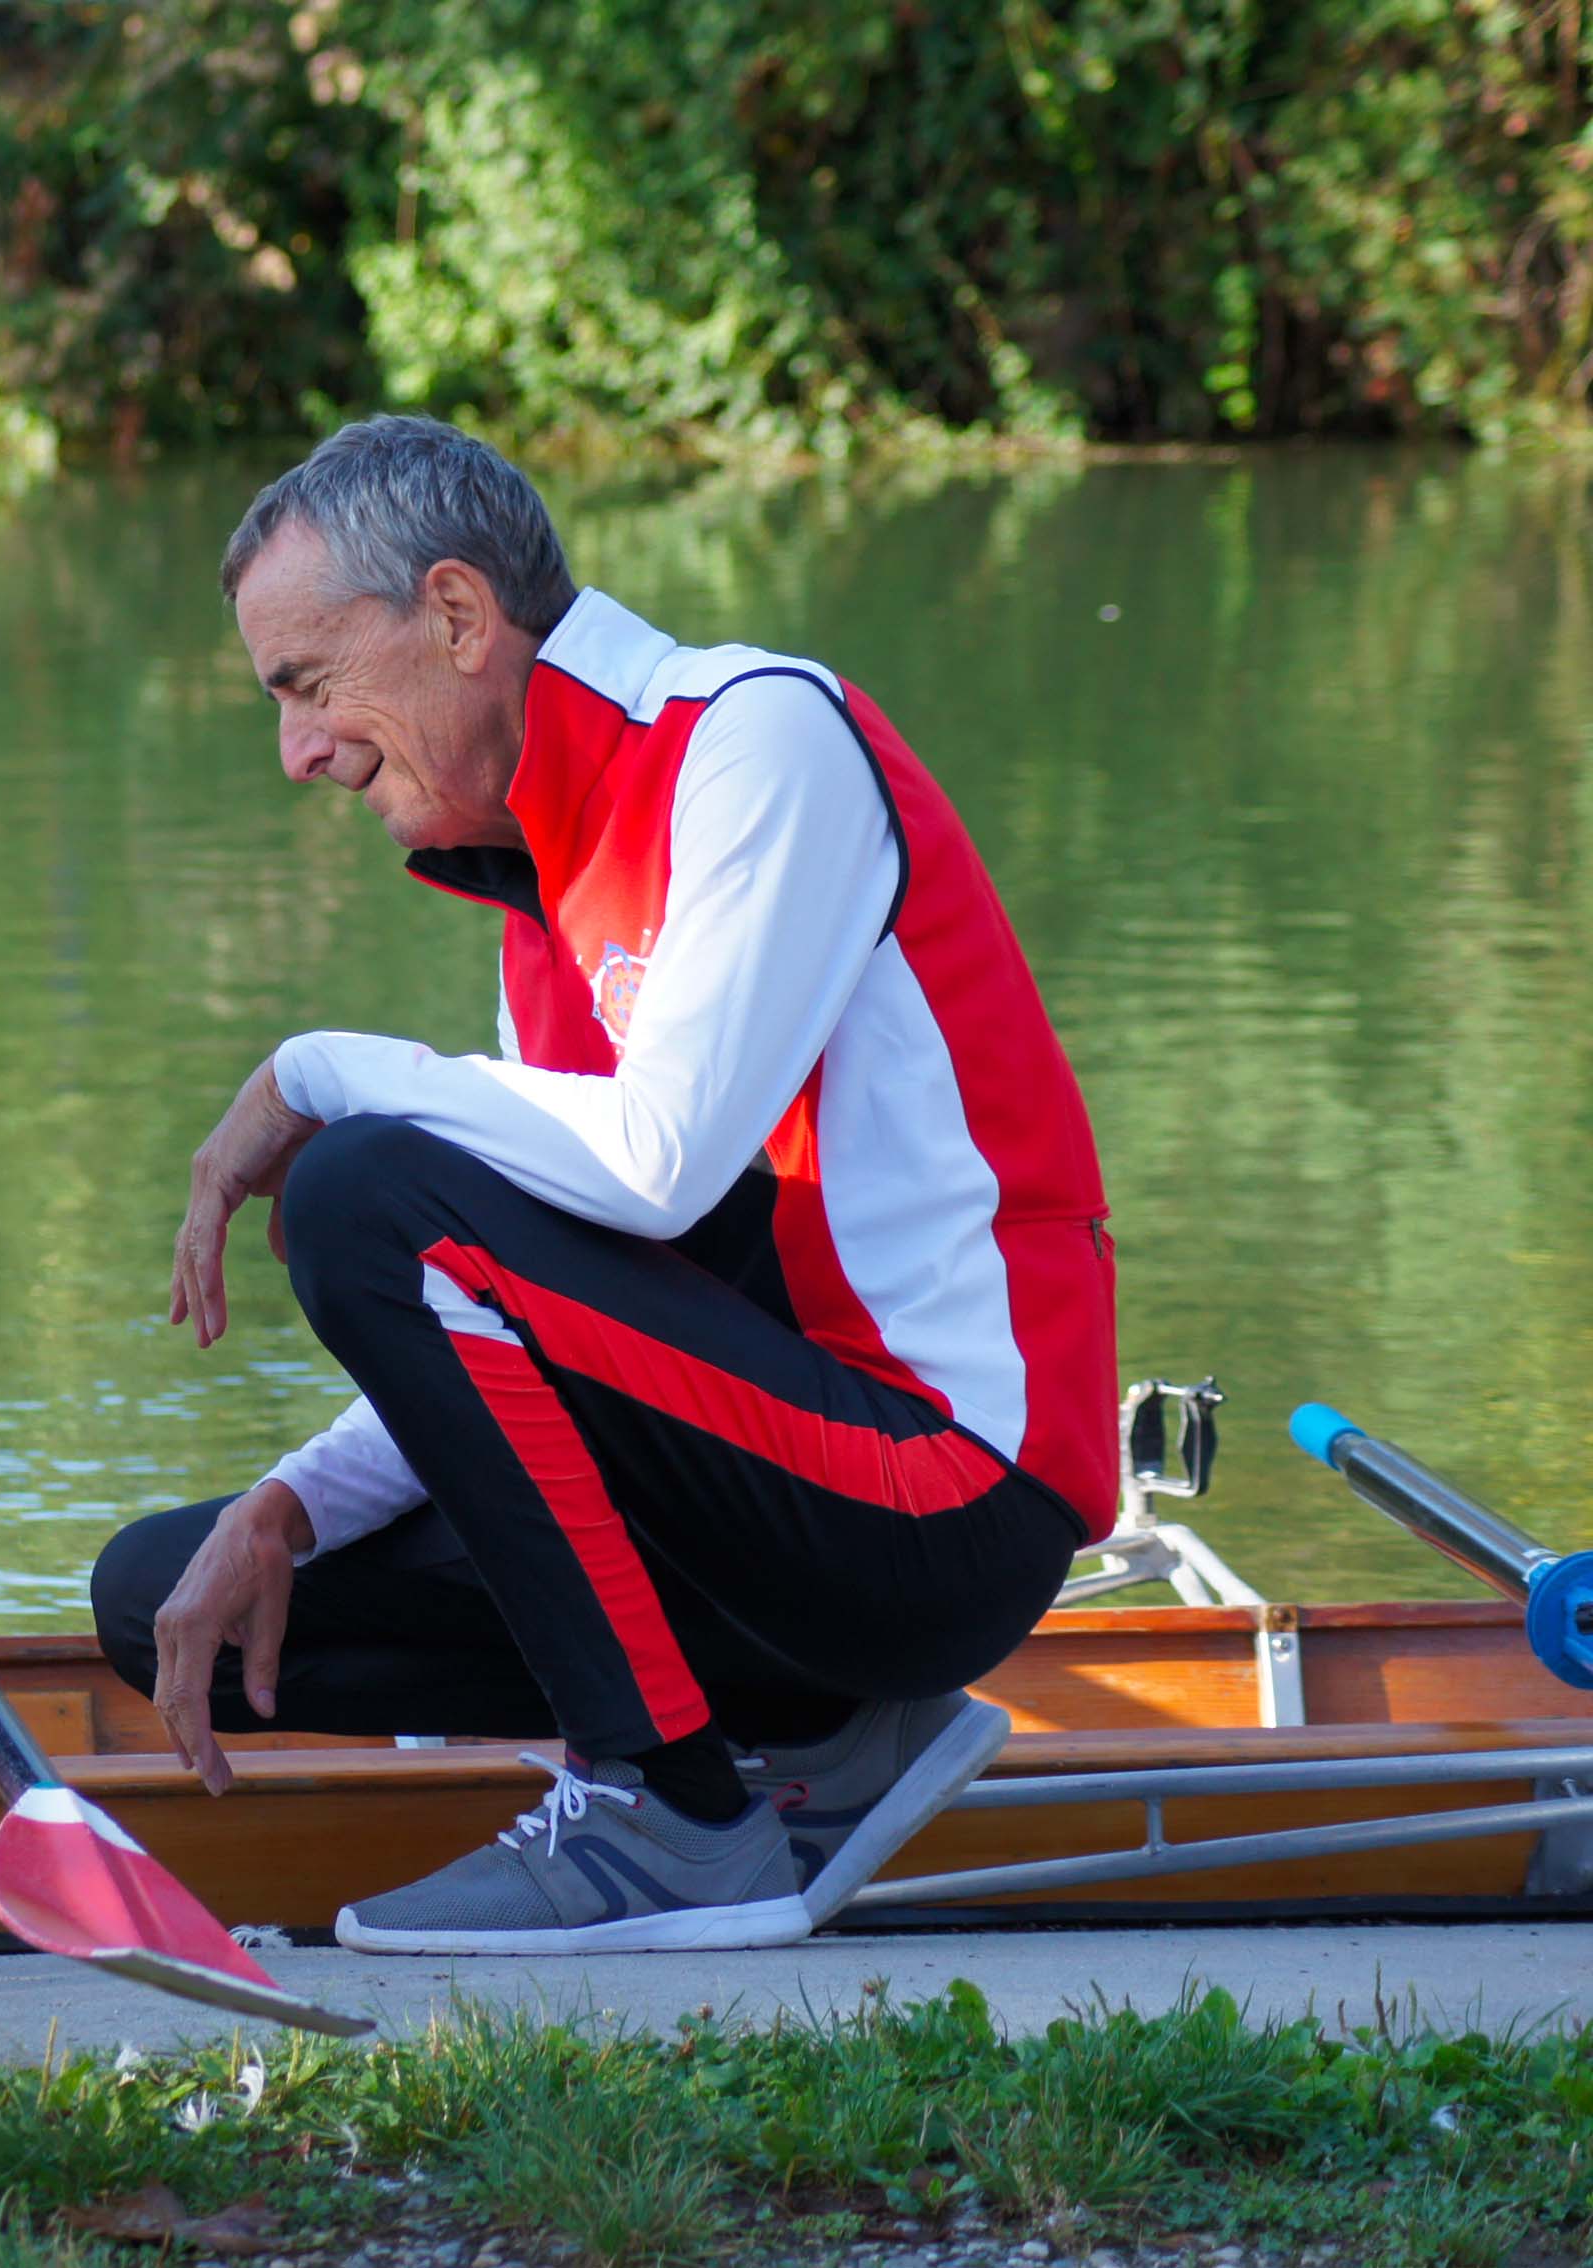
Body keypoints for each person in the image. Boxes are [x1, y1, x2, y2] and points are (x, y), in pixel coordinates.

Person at [90, 416, 1114, 1955]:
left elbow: (658, 1161)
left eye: (306, 686)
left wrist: (310, 1069)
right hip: (780, 1488)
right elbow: (514, 1313)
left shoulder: (758, 736)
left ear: (454, 614)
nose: (298, 751)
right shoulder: (542, 901)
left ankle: (672, 1812)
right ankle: (811, 1744)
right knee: (164, 1589)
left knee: (358, 1187)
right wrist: (292, 1509)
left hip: (944, 1498)